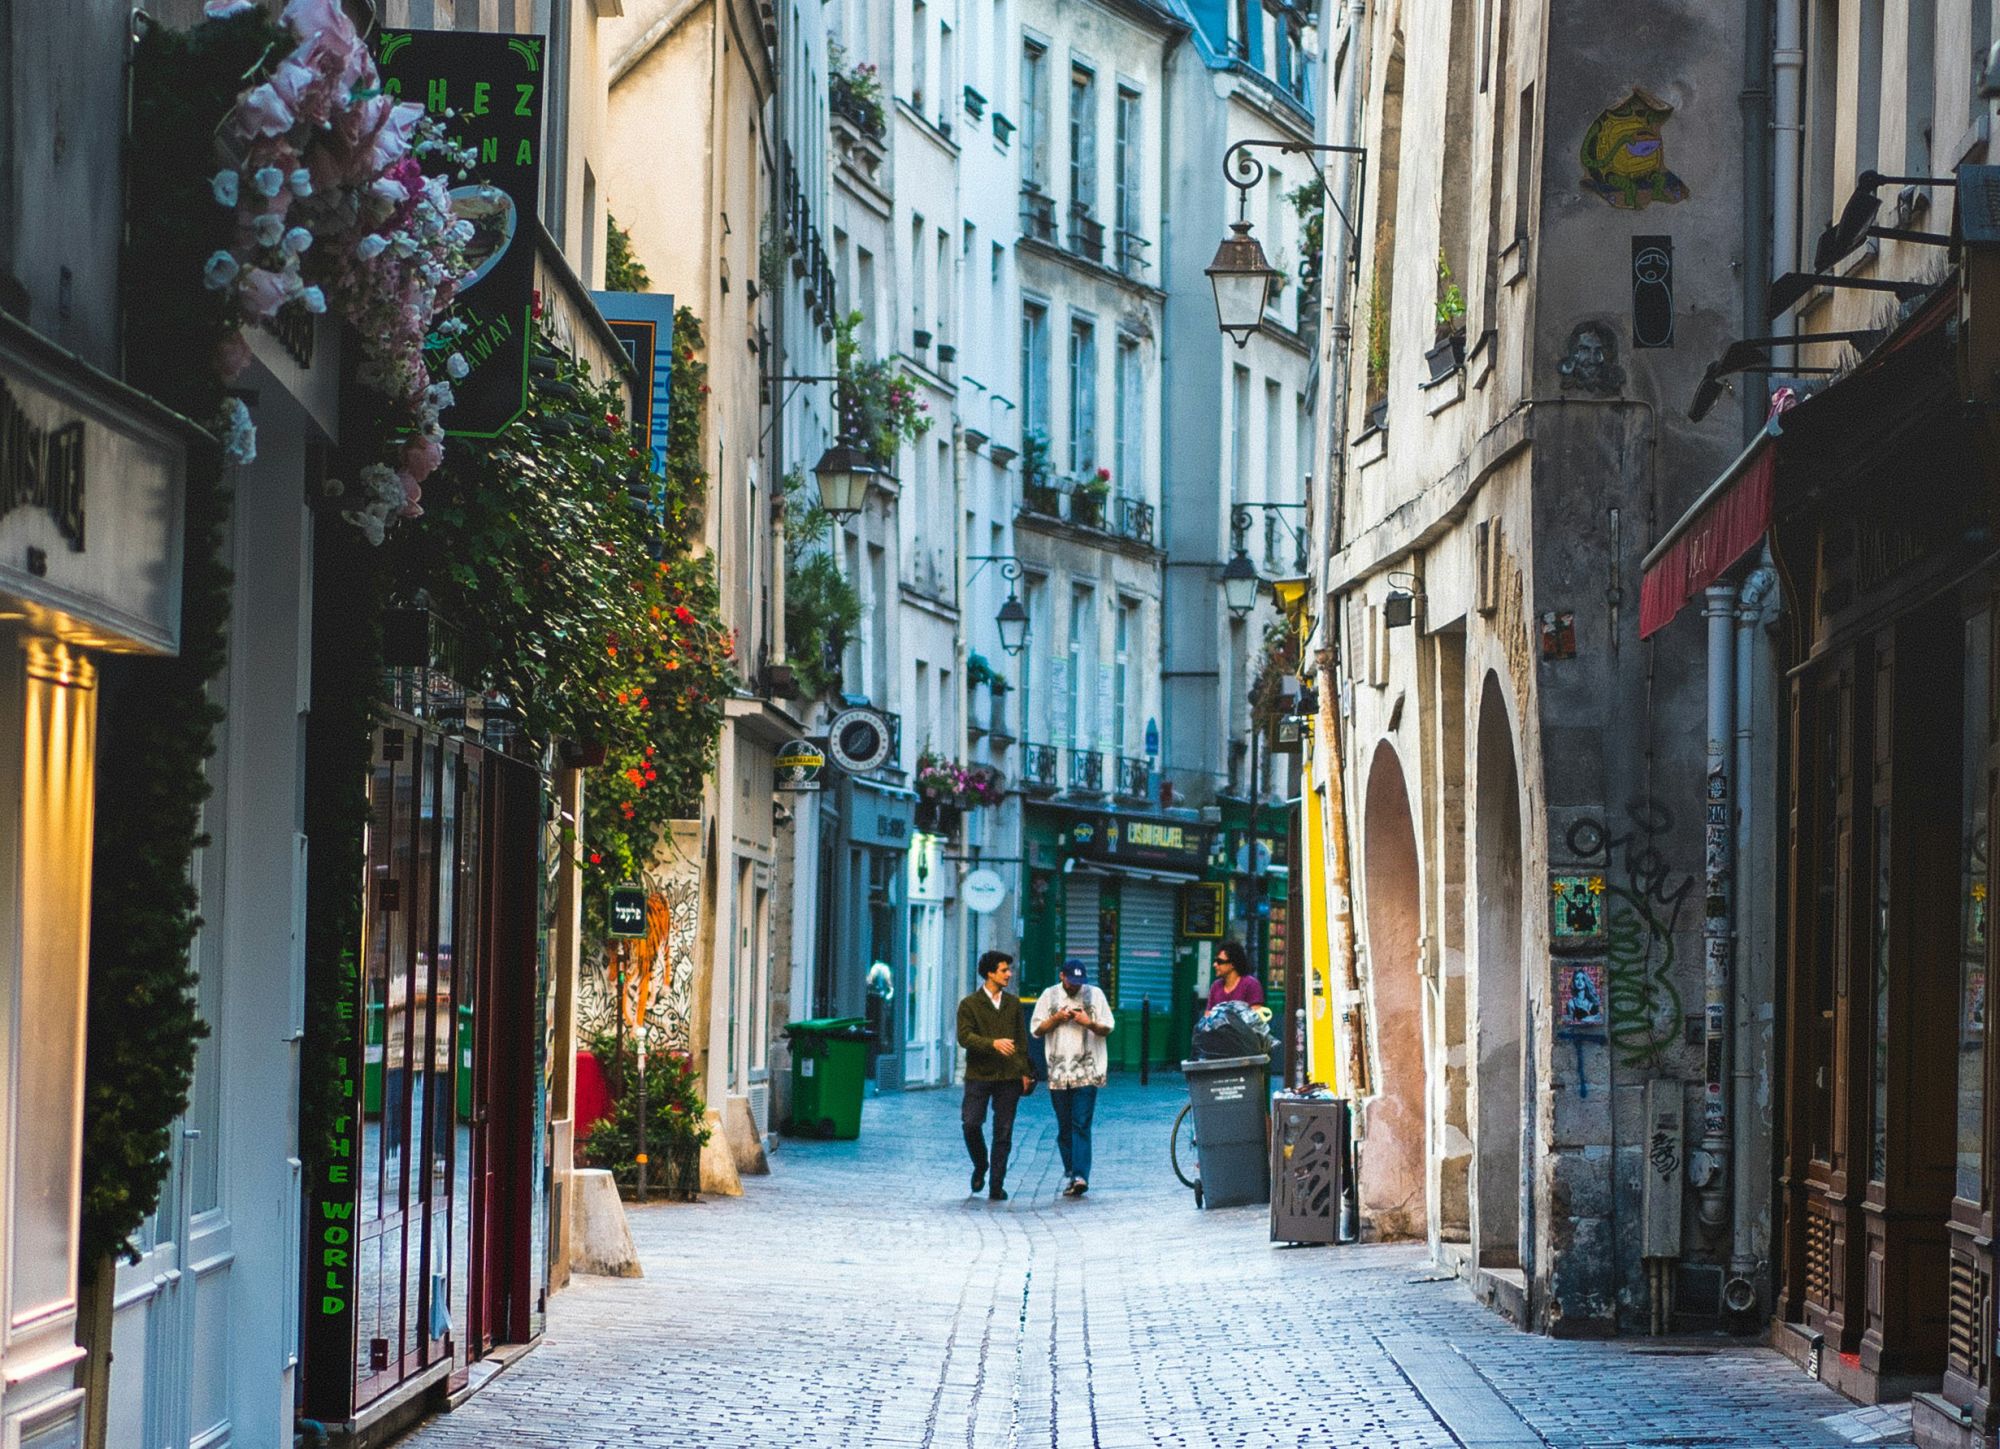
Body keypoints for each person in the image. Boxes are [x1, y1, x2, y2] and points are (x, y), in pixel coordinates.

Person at [1031, 959, 1115, 1197]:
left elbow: (1108, 1027)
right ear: (1062, 977)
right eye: (1071, 982)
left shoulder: (1095, 995)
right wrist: (1057, 1018)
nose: (1076, 987)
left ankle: (1080, 1176)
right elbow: (1036, 1030)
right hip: (1058, 1072)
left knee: (1081, 1123)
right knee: (1065, 1126)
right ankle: (1071, 1171)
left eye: (1080, 982)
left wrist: (1088, 1023)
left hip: (1087, 1070)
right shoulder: (1049, 996)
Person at [956, 950, 1032, 1201]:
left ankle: (996, 1185)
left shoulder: (1013, 1004)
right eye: (1004, 970)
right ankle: (981, 1164)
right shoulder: (969, 1005)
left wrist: (1024, 1071)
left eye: (1009, 970)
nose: (1009, 974)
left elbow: (1021, 1041)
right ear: (990, 973)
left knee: (1004, 1130)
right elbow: (965, 1037)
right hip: (979, 1074)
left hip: (1009, 1077)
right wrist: (993, 1044)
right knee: (971, 1123)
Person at [1206, 939, 1265, 1009]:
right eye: (1215, 961)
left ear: (1232, 964)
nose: (1214, 964)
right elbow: (1208, 1016)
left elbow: (1255, 1015)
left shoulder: (1251, 984)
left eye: (1219, 961)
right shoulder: (1215, 986)